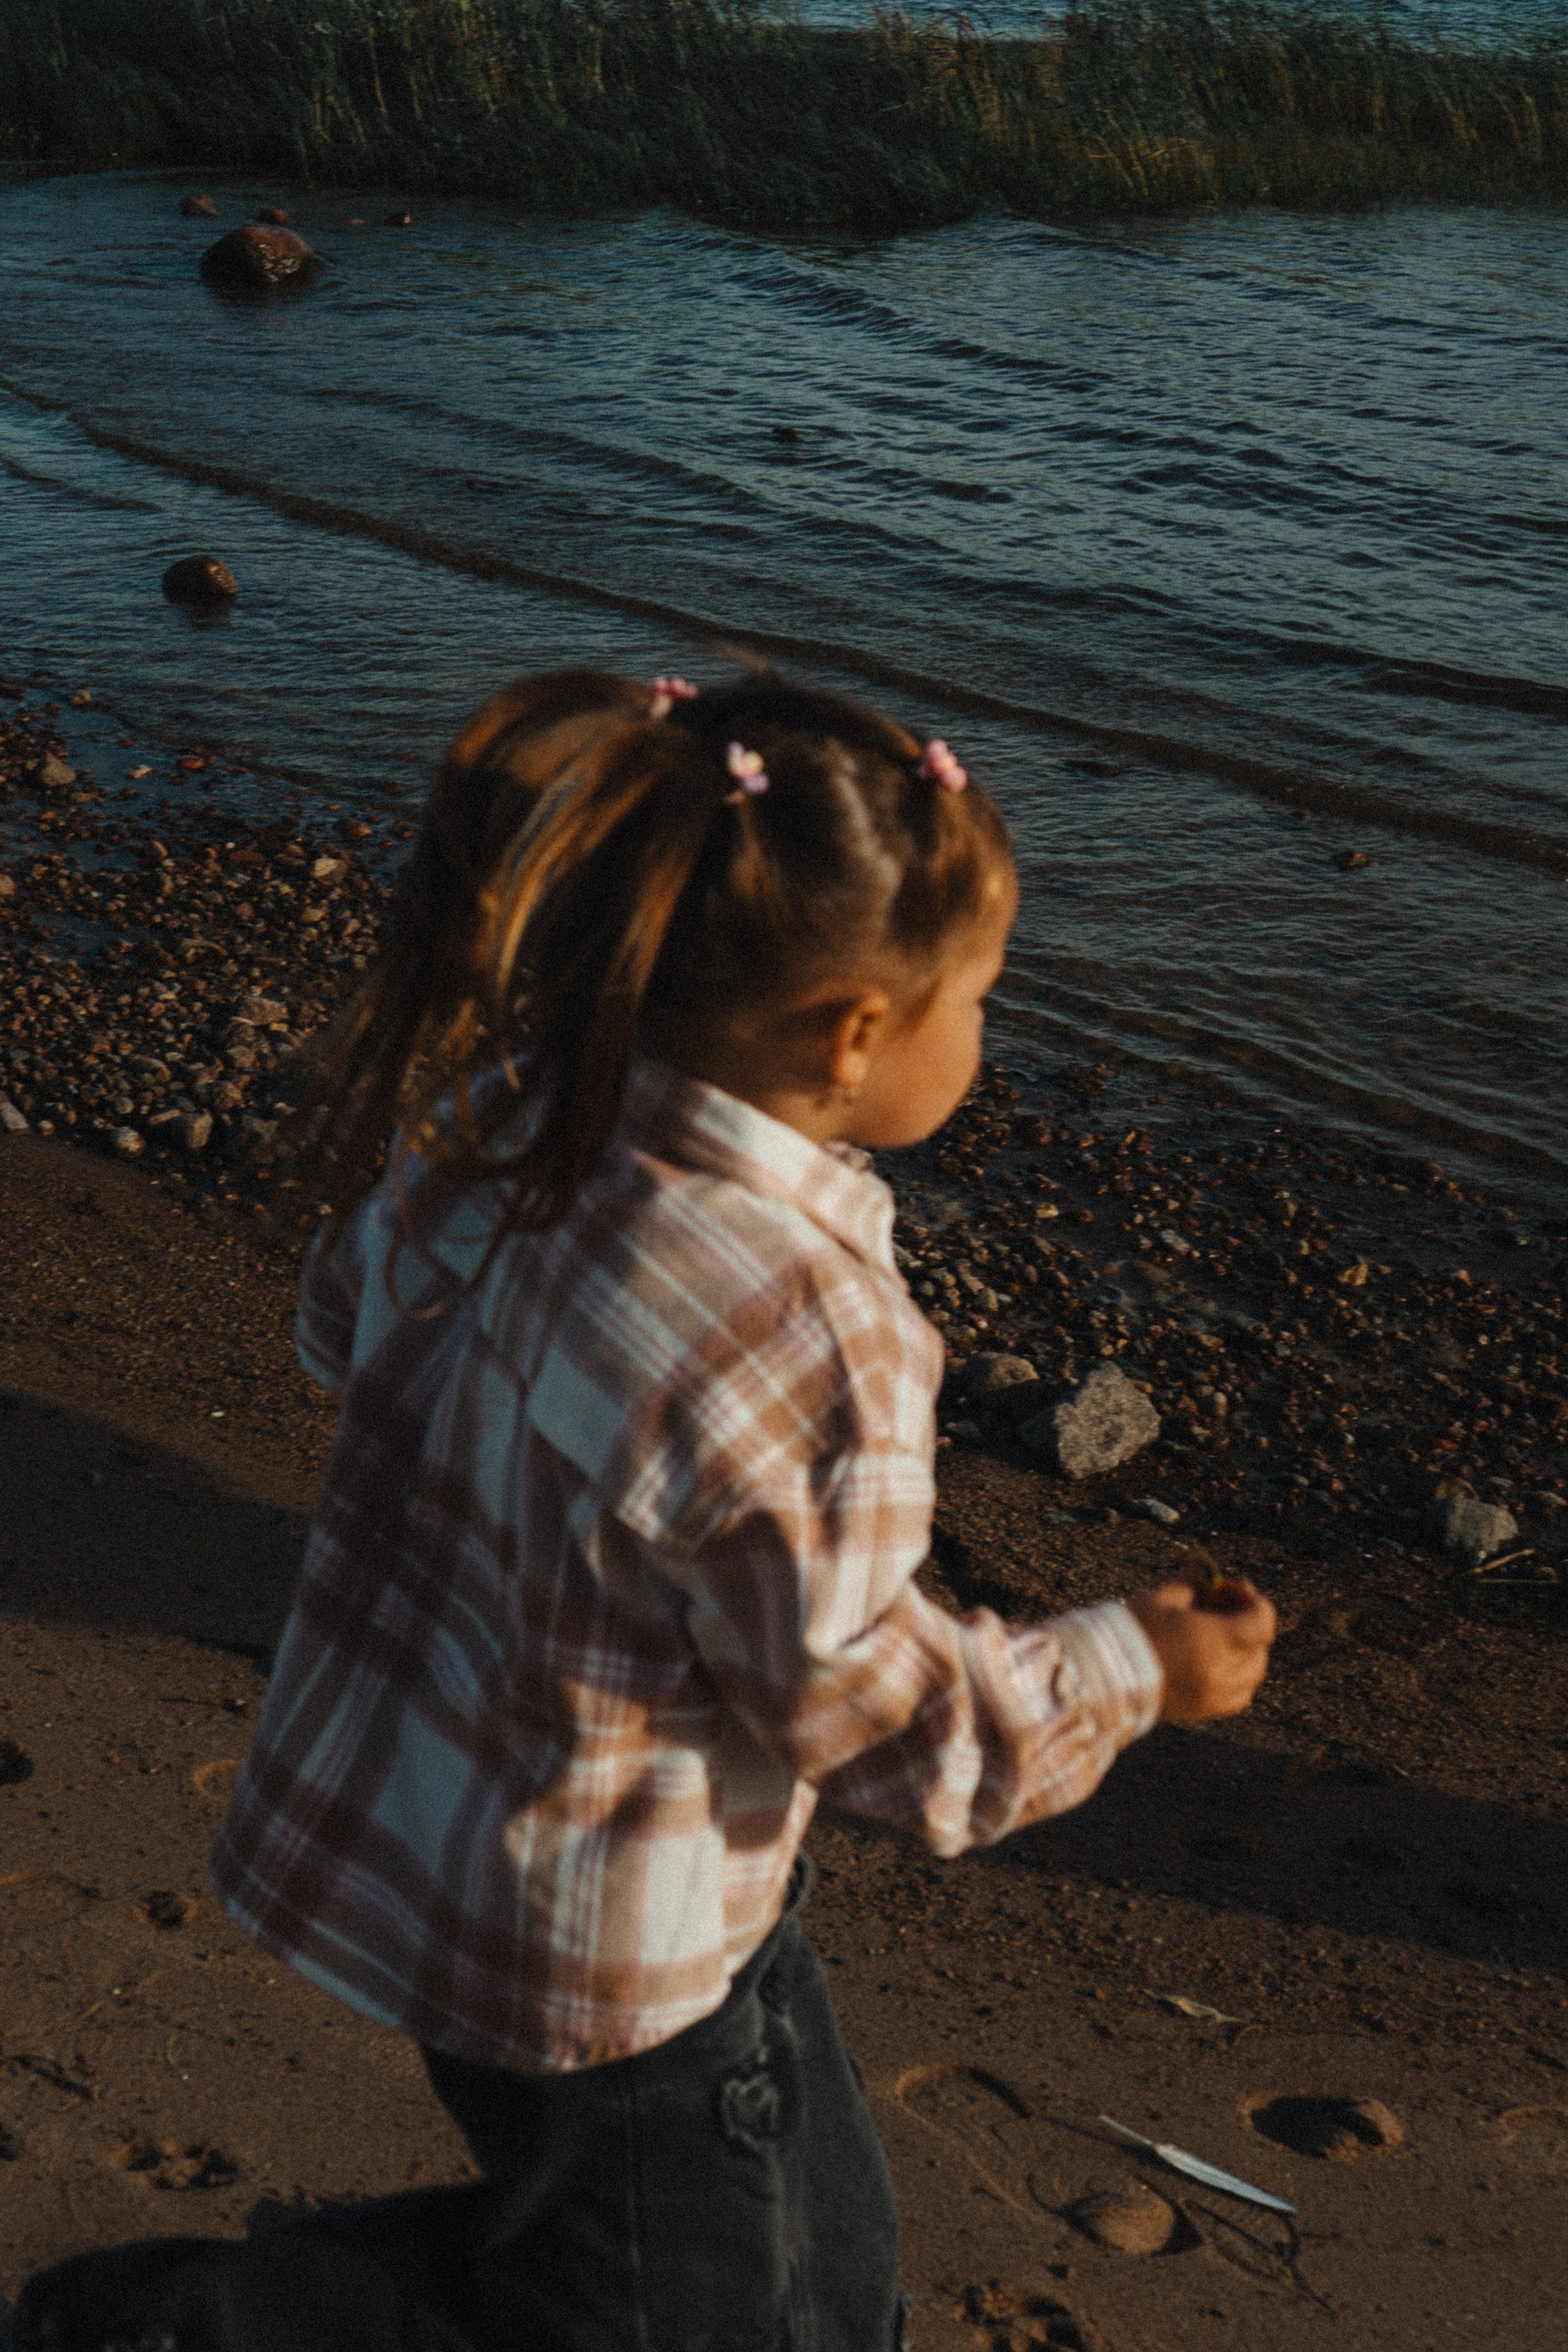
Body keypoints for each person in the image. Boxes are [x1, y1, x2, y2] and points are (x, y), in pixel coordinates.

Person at [209, 667, 1276, 2352]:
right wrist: (1132, 1666)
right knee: (645, 2309)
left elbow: (341, 1339)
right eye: (980, 997)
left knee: (818, 2280)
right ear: (855, 1030)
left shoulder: (492, 1118)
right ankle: (200, 2317)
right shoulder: (805, 1328)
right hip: (602, 1968)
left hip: (499, 1842)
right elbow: (877, 1728)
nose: (986, 1033)